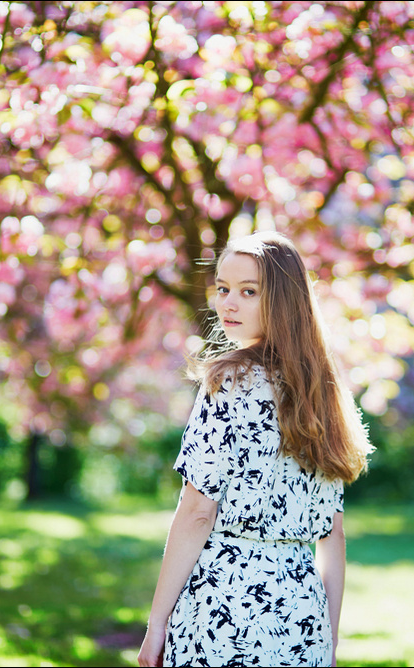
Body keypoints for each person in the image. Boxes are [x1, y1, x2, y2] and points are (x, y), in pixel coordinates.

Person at [138, 231, 373, 667]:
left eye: (248, 292)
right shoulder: (324, 395)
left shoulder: (229, 382)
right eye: (223, 288)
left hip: (224, 611)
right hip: (304, 618)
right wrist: (328, 641)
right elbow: (333, 535)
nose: (228, 303)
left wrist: (157, 625)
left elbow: (198, 511)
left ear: (283, 302)